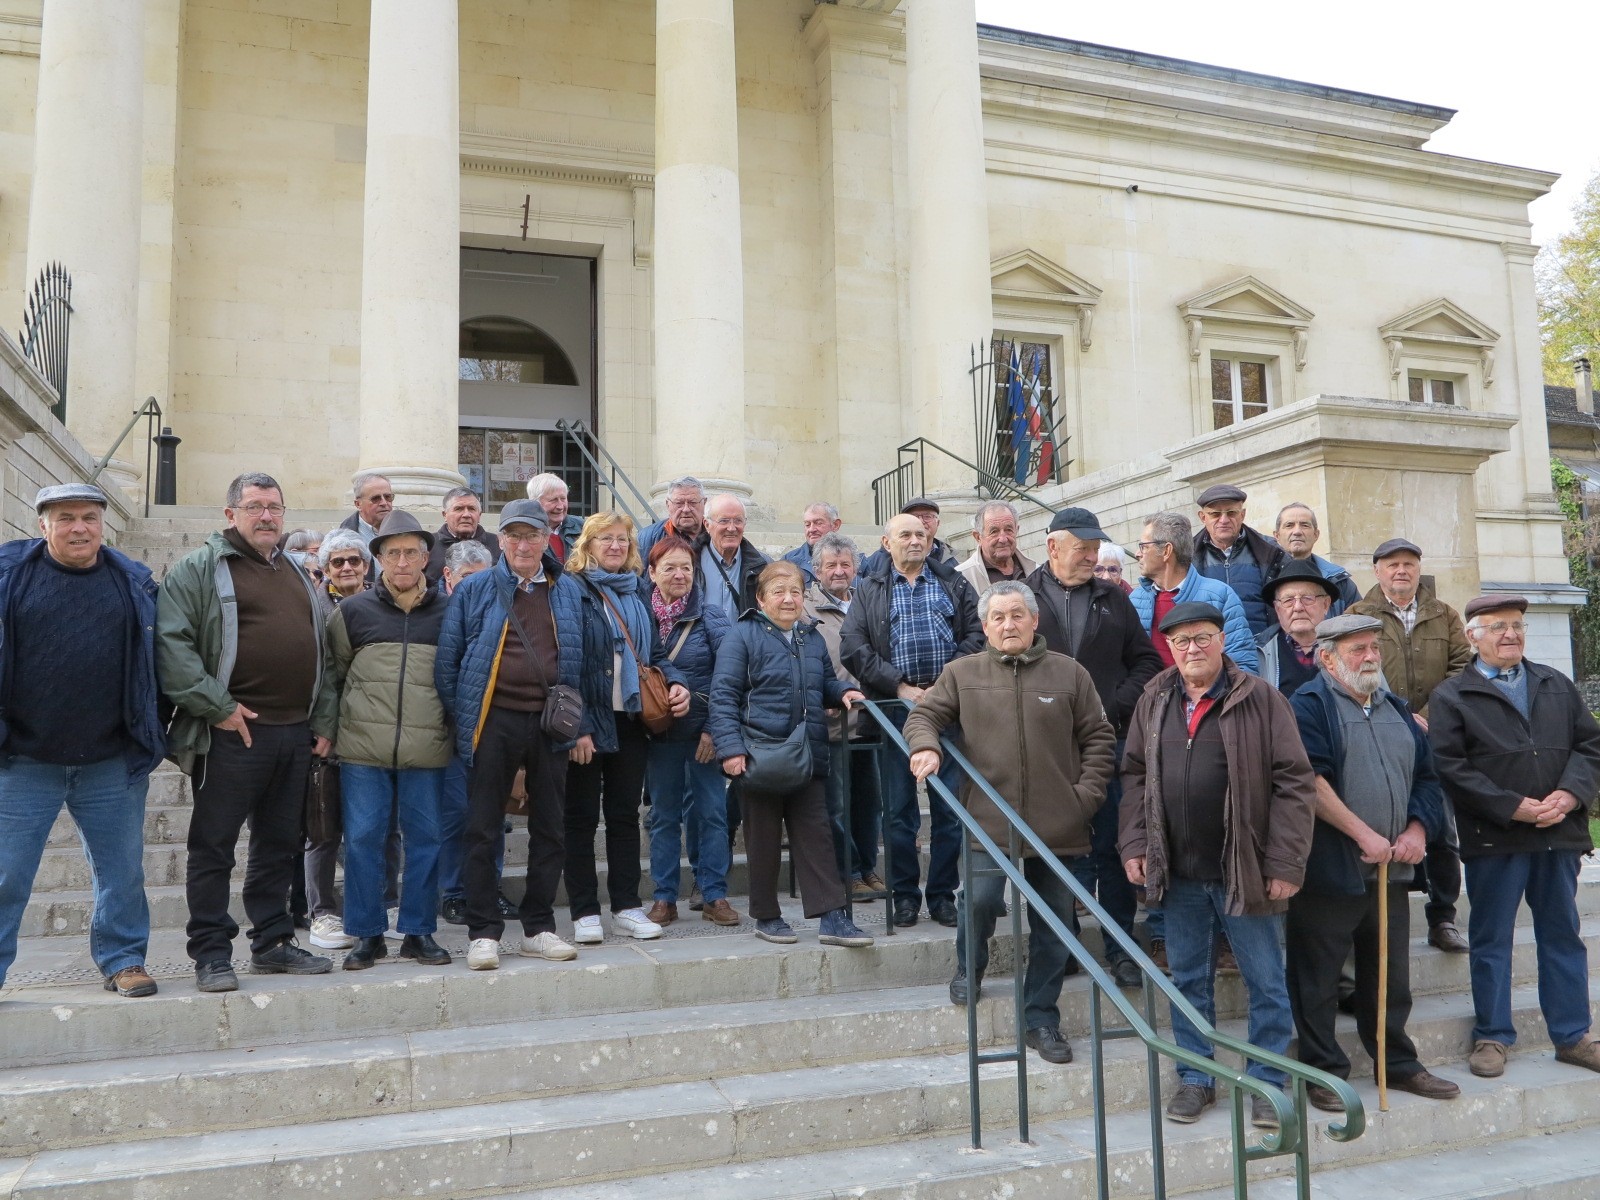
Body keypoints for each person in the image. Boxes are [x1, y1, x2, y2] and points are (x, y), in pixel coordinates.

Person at [1120, 601, 1317, 1129]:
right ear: (1170, 648)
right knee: (1188, 978)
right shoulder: (1155, 698)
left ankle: (1267, 1082)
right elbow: (1135, 774)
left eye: (1202, 638)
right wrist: (1135, 844)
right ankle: (1195, 1078)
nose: (1192, 649)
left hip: (1246, 868)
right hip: (1178, 871)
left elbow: (1295, 784)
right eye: (1182, 641)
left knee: (1266, 981)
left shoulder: (1262, 699)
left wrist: (1285, 862)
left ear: (1223, 640)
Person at [906, 581, 1116, 1065]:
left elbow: (1099, 738)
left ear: (1034, 620)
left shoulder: (1070, 673)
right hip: (987, 820)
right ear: (984, 627)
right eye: (998, 617)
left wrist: (1083, 799)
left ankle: (1041, 1017)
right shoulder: (962, 673)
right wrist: (926, 747)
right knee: (977, 902)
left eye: (1017, 615)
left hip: (1059, 825)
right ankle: (968, 968)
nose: (1009, 625)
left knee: (1057, 924)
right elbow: (924, 716)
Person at [157, 472, 338, 992]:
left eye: (275, 507)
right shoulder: (199, 569)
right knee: (213, 847)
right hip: (230, 734)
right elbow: (173, 646)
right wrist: (218, 707)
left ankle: (273, 942)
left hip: (294, 734)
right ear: (230, 514)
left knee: (279, 844)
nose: (267, 516)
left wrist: (323, 719)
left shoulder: (297, 571)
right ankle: (212, 953)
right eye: (256, 506)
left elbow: (324, 652)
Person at [1286, 613, 1461, 1109]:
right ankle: (1322, 1071)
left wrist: (1416, 830)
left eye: (1373, 648)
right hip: (1329, 869)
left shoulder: (1396, 708)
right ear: (1327, 658)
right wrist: (1364, 834)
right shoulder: (1309, 706)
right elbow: (1310, 782)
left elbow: (1426, 777)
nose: (1369, 658)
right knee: (1317, 978)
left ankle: (1398, 1063)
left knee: (1389, 977)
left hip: (1392, 868)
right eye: (1357, 649)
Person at [0, 483, 165, 999]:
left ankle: (123, 959)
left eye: (89, 518)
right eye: (66, 518)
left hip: (110, 758)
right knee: (5, 876)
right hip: (24, 758)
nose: (79, 528)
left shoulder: (133, 582)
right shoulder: (8, 578)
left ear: (102, 525)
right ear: (43, 524)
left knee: (122, 872)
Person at [1429, 594, 1600, 1080]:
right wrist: (1511, 807)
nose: (1511, 634)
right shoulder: (1451, 696)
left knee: (1562, 934)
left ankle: (1572, 1036)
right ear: (1472, 636)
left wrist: (1569, 794)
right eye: (1498, 626)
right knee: (1491, 939)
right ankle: (1492, 1036)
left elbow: (1590, 745)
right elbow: (1450, 766)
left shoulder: (1554, 683)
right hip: (1496, 838)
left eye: (1518, 626)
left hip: (1558, 834)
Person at [435, 498, 585, 971]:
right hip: (492, 721)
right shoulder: (476, 588)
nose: (523, 544)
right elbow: (448, 663)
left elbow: (583, 660)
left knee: (550, 828)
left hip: (548, 723)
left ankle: (539, 927)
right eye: (514, 535)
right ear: (500, 540)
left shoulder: (568, 589)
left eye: (532, 535)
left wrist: (583, 725)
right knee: (481, 828)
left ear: (547, 540)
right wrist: (466, 720)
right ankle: (483, 932)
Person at [1025, 507, 1162, 988]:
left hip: (1110, 743)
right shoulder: (1023, 597)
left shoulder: (1113, 599)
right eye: (1081, 548)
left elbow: (1145, 661)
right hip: (1046, 749)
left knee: (1114, 846)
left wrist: (1114, 706)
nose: (1090, 556)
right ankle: (1059, 947)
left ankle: (1121, 948)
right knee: (1057, 851)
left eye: (1093, 548)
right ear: (1052, 547)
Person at [707, 561, 871, 947]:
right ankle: (766, 915)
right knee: (762, 837)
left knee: (817, 834)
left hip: (807, 751)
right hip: (759, 753)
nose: (788, 599)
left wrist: (839, 692)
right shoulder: (741, 636)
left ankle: (833, 916)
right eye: (778, 592)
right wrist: (730, 750)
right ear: (761, 598)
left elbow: (824, 680)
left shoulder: (810, 637)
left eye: (795, 591)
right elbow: (723, 696)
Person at [841, 513, 983, 928]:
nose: (915, 541)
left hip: (949, 710)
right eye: (905, 534)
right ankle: (905, 896)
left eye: (921, 534)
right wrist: (899, 687)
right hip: (893, 712)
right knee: (899, 813)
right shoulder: (868, 589)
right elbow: (853, 646)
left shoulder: (954, 583)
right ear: (887, 542)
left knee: (948, 811)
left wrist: (945, 684)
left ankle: (941, 896)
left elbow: (976, 637)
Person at [324, 511, 452, 970]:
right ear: (377, 558)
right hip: (362, 749)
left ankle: (418, 932)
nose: (402, 560)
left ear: (425, 558)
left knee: (426, 839)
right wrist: (327, 731)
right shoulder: (352, 612)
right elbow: (332, 677)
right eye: (392, 552)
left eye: (412, 552)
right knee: (362, 839)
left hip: (428, 748)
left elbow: (457, 678)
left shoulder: (448, 612)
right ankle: (367, 934)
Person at [565, 512, 689, 943]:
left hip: (631, 720)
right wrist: (576, 726)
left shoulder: (636, 591)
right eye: (606, 539)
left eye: (622, 539)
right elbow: (564, 661)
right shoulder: (571, 590)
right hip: (589, 720)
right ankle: (584, 911)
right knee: (580, 817)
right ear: (588, 545)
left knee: (623, 816)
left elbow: (654, 652)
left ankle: (626, 906)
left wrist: (676, 682)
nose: (615, 546)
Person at [1349, 537, 1472, 954]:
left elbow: (1461, 667)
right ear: (1377, 571)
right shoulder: (1358, 615)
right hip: (1379, 732)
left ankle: (1443, 917)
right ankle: (1376, 918)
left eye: (1409, 564)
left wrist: (1429, 714)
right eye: (1392, 565)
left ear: (1418, 570)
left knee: (1440, 827)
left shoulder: (1445, 614)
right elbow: (1352, 667)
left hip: (1435, 734)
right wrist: (1400, 713)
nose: (1401, 571)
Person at [642, 535, 736, 926]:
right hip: (658, 735)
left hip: (703, 736)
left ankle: (714, 895)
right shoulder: (639, 615)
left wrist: (715, 730)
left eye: (686, 567)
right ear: (651, 573)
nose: (679, 575)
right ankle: (664, 897)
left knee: (712, 815)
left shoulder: (711, 616)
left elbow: (729, 678)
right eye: (669, 567)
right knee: (663, 816)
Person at [803, 532, 884, 898]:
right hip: (832, 721)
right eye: (831, 565)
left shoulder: (867, 600)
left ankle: (868, 868)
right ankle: (847, 871)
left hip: (869, 720)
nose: (839, 571)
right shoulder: (806, 608)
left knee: (869, 803)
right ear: (817, 569)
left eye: (845, 564)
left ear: (856, 568)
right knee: (836, 805)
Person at [436, 539, 504, 927]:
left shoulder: (500, 607)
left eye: (484, 577)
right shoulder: (437, 610)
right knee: (456, 817)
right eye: (467, 578)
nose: (476, 585)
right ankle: (455, 893)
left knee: (491, 816)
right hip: (449, 733)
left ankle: (488, 889)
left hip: (493, 731)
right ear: (448, 576)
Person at [1130, 511, 1259, 674]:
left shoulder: (1219, 596)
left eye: (1144, 546)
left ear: (1166, 551)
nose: (1137, 554)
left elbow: (1242, 665)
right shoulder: (1135, 600)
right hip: (1152, 698)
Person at [1191, 484, 1286, 636]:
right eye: (1215, 514)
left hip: (1262, 648)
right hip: (1207, 648)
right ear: (1203, 517)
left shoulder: (1271, 552)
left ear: (1242, 515)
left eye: (1231, 513)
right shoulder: (1186, 557)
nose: (1224, 520)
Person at [1256, 559, 1338, 695]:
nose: (1298, 607)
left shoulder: (1348, 646)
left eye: (1308, 598)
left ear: (1326, 604)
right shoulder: (1258, 652)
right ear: (1277, 609)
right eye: (1288, 600)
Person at [1271, 503, 1359, 615]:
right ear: (1277, 535)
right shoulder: (1264, 576)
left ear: (1316, 534)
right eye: (1289, 525)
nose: (1297, 531)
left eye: (1304, 525)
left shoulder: (1339, 581)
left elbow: (1358, 625)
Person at [698, 493, 768, 620]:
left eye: (738, 521)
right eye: (724, 521)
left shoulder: (762, 567)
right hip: (702, 639)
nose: (731, 528)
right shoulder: (691, 562)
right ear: (707, 524)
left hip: (745, 639)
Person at [956, 500, 1036, 595]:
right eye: (994, 531)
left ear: (1016, 530)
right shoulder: (960, 578)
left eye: (1008, 530)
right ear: (978, 537)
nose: (1003, 539)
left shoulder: (1036, 571)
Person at [861, 497, 957, 573]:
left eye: (927, 516)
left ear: (938, 522)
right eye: (914, 517)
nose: (920, 521)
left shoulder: (949, 560)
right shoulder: (876, 562)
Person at [425, 487, 499, 584]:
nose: (466, 514)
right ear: (444, 515)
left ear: (479, 515)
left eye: (472, 509)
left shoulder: (498, 544)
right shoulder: (428, 545)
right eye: (459, 509)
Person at [638, 476, 708, 563]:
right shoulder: (647, 538)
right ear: (668, 504)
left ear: (704, 503)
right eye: (679, 503)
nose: (686, 509)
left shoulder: (717, 534)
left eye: (693, 503)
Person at [526, 473, 584, 563]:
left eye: (563, 499)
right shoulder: (523, 531)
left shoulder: (583, 528)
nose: (560, 506)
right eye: (553, 500)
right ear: (535, 502)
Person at [781, 501, 845, 582]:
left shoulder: (858, 562)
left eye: (818, 523)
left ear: (835, 525)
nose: (811, 529)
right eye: (807, 524)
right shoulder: (789, 562)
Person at [315, 529, 371, 616]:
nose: (347, 568)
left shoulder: (385, 601)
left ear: (365, 567)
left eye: (354, 560)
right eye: (337, 562)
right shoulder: (313, 607)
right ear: (326, 571)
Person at [339, 471, 394, 546]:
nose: (384, 503)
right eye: (376, 498)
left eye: (388, 497)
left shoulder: (406, 530)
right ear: (358, 504)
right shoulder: (343, 538)